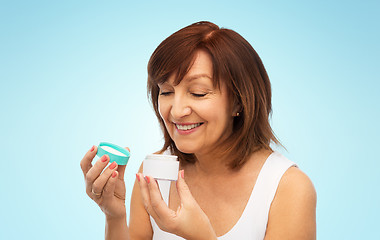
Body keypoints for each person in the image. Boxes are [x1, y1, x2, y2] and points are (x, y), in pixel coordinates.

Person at [80, 21, 316, 240]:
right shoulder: (155, 173)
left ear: (239, 102)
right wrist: (114, 215)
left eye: (198, 93)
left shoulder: (288, 188)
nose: (177, 110)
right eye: (166, 92)